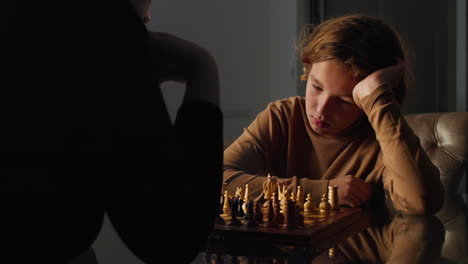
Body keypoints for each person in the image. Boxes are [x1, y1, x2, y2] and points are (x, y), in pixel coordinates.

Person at [223, 14, 444, 216]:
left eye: (344, 100)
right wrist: (325, 191)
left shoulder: (384, 138)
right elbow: (215, 179)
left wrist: (377, 98)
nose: (321, 109)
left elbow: (421, 204)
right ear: (307, 71)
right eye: (317, 87)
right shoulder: (282, 116)